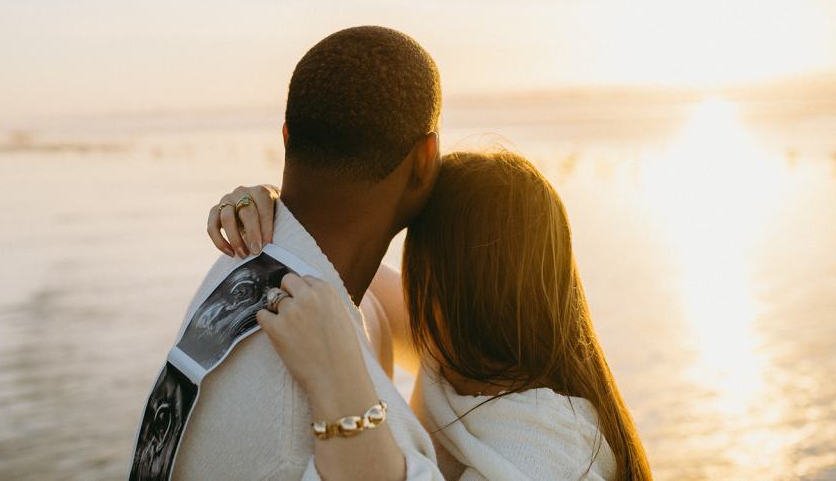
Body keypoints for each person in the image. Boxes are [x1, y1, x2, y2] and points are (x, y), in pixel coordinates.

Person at [211, 151, 654, 480]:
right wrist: (271, 210)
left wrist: (337, 381)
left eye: (418, 268)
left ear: (447, 287)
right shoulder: (463, 354)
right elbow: (339, 262)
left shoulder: (550, 454)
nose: (408, 281)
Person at [140, 26, 446, 480]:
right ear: (425, 158)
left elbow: (418, 323)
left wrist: (273, 196)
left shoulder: (246, 259)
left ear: (286, 137)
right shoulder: (309, 431)